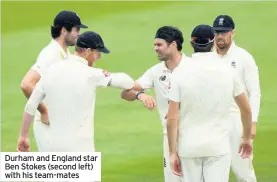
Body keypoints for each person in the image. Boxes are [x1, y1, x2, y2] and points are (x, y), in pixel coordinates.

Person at [17, 31, 135, 152]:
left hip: (51, 145)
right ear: (88, 51)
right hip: (81, 148)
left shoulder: (51, 70)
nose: (97, 58)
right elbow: (128, 82)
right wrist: (105, 74)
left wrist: (23, 136)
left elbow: (31, 105)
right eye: (97, 54)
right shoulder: (92, 74)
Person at [167, 24, 253, 182]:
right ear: (213, 42)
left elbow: (172, 118)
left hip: (189, 147)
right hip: (218, 146)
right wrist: (246, 138)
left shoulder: (178, 73)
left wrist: (172, 153)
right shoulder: (228, 70)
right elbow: (246, 109)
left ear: (191, 43)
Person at [121, 26, 186, 182]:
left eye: (159, 45)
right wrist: (140, 95)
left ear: (173, 44)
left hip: (193, 136)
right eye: (155, 45)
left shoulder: (192, 67)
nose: (155, 49)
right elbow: (125, 92)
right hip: (169, 139)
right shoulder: (156, 72)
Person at [20, 10, 88, 151]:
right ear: (64, 30)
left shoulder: (65, 53)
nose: (79, 33)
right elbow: (26, 84)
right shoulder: (50, 54)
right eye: (76, 29)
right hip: (48, 128)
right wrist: (44, 110)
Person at [212, 15, 261, 182]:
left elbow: (255, 92)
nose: (219, 36)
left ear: (233, 33)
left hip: (237, 119)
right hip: (213, 120)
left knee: (242, 171)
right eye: (217, 32)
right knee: (215, 172)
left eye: (224, 32)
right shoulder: (207, 57)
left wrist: (252, 123)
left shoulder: (243, 57)